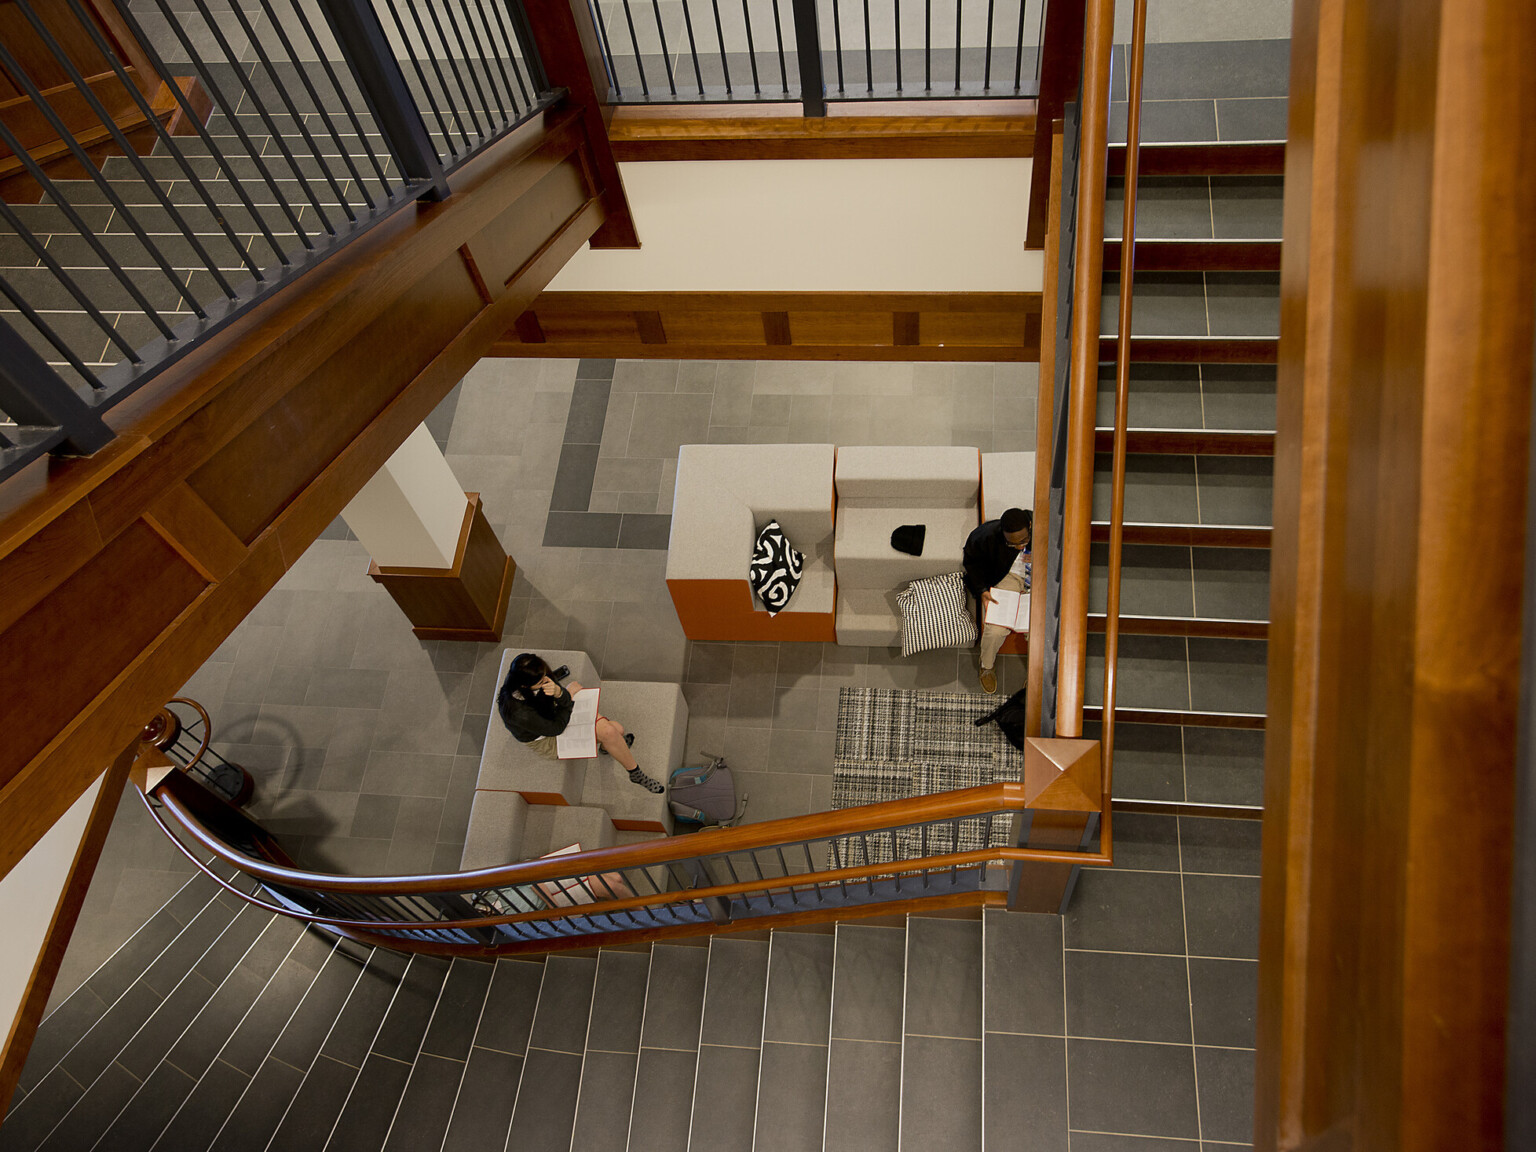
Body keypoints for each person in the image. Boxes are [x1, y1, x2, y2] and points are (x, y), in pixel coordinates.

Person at [496, 653, 665, 794]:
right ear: (525, 685)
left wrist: (559, 692)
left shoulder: (523, 679)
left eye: (545, 676)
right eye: (541, 682)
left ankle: (609, 747)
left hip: (549, 714)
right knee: (612, 731)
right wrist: (563, 696)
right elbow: (556, 728)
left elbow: (551, 699)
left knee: (615, 731)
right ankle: (635, 773)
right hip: (547, 738)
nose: (547, 680)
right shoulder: (520, 713)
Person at [961, 507, 1032, 695]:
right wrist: (982, 590)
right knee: (995, 630)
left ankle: (1037, 673)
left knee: (1038, 632)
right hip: (1007, 577)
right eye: (1012, 544)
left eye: (1023, 542)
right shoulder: (986, 535)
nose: (1018, 547)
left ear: (1030, 526)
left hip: (1038, 578)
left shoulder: (1046, 529)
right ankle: (986, 666)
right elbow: (971, 561)